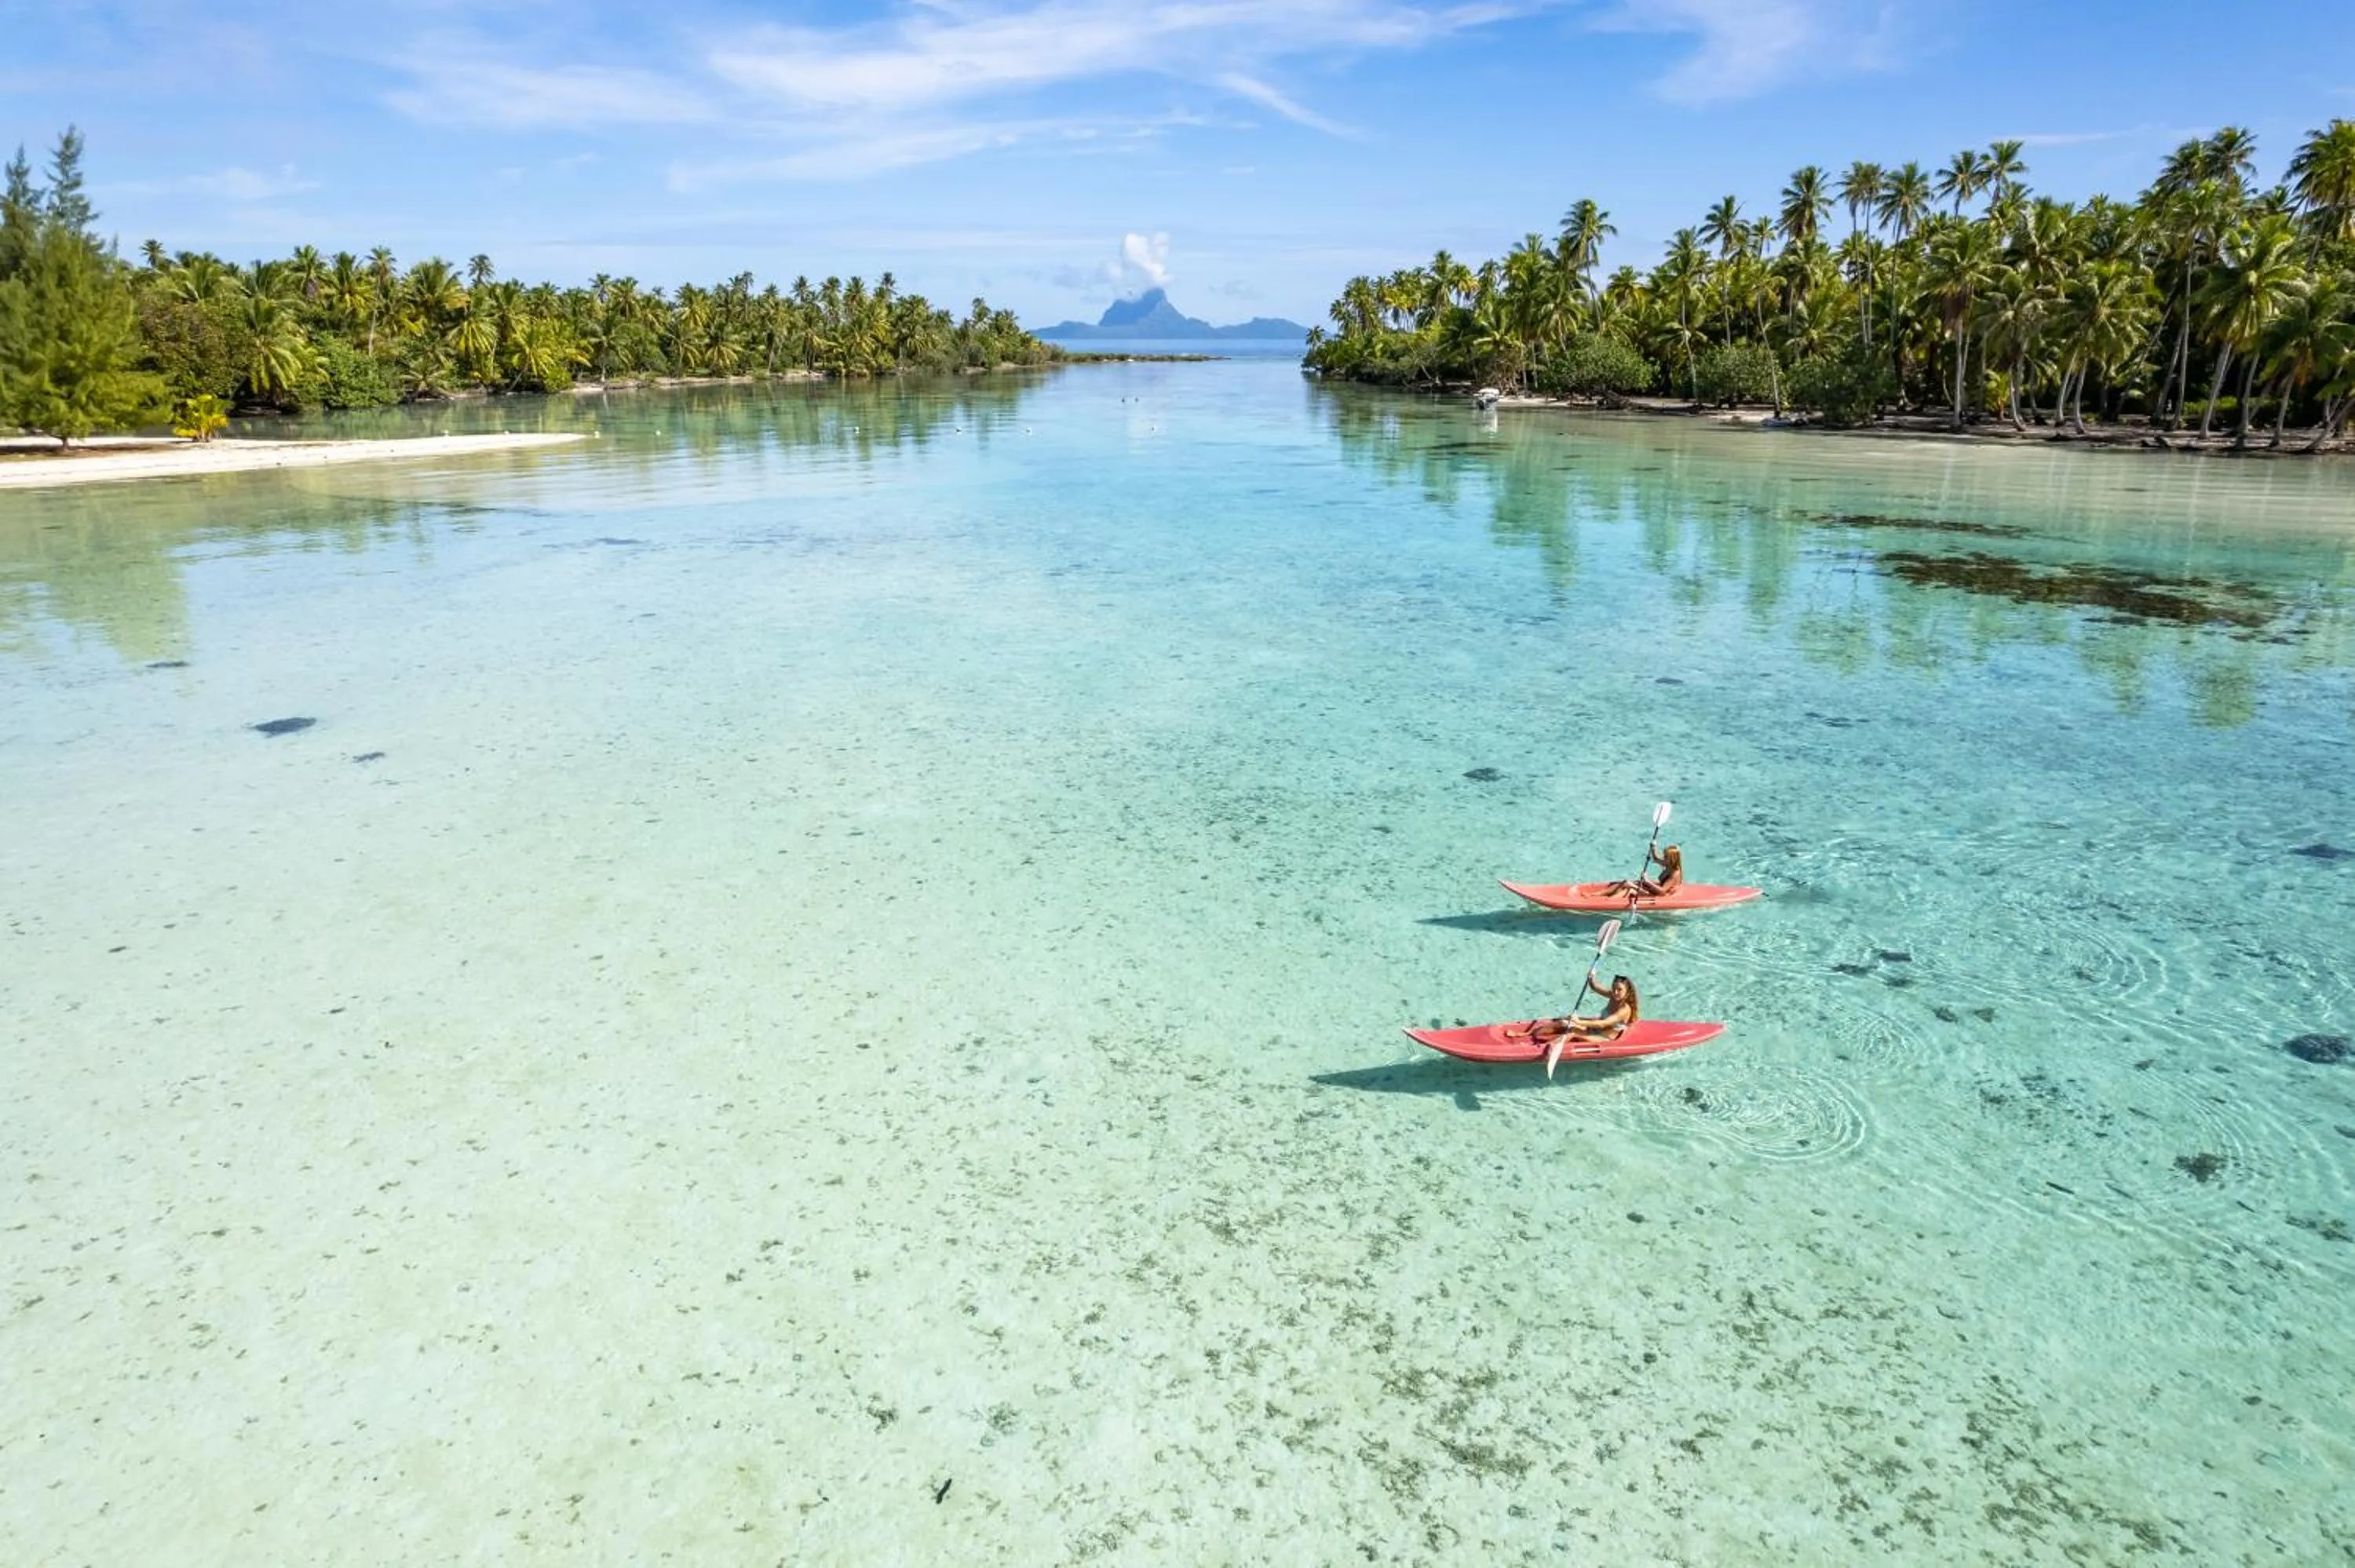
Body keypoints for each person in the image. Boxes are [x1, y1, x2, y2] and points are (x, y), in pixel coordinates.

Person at [1514, 969, 1640, 1048]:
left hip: (1603, 1037)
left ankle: (1541, 1048)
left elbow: (1603, 1024)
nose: (1616, 992)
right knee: (1564, 1021)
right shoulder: (1613, 995)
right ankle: (1527, 1034)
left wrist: (1578, 1021)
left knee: (1572, 1032)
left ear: (1627, 992)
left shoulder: (1624, 1010)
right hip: (1592, 1029)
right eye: (1614, 988)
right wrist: (1591, 978)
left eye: (1620, 990)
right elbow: (1595, 987)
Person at [1601, 843, 1682, 900]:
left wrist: (1647, 881)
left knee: (1630, 889)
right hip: (1656, 891)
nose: (1663, 857)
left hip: (1661, 897)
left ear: (1672, 859)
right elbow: (1656, 859)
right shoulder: (1668, 864)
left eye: (1666, 856)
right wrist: (1653, 849)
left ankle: (1610, 902)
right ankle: (1599, 895)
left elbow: (1662, 892)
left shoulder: (1675, 873)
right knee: (1627, 882)